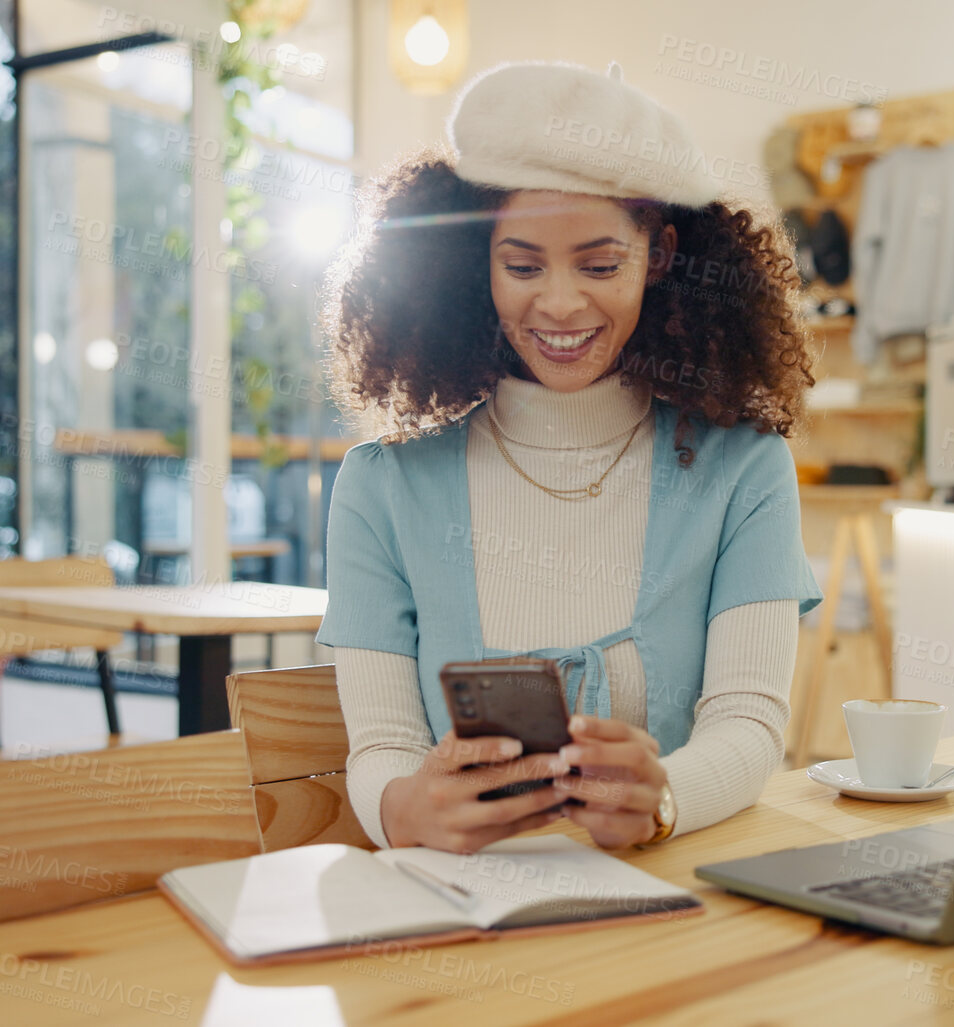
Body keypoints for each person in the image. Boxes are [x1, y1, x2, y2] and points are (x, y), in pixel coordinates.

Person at [314, 60, 823, 855]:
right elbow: (380, 744)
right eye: (521, 265)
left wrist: (665, 800)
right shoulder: (383, 489)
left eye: (599, 264)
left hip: (673, 899)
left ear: (658, 257)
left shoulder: (742, 470)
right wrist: (400, 811)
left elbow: (749, 725)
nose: (557, 304)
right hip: (462, 917)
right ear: (472, 265)